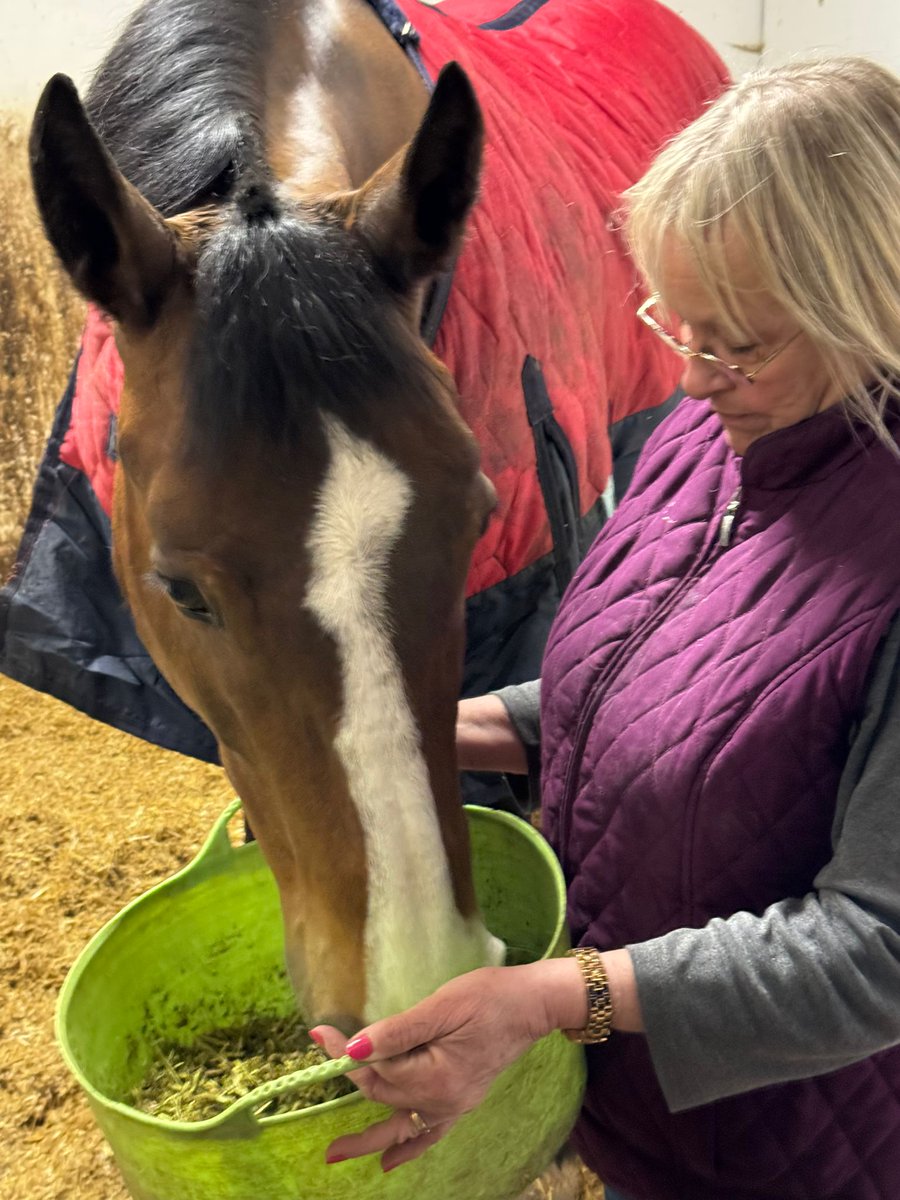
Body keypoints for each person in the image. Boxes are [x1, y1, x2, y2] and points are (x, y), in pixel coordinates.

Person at [310, 55, 900, 1199]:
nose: (689, 374)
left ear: (873, 305)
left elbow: (876, 954)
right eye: (673, 321)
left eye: (738, 340)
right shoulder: (709, 437)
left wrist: (551, 997)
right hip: (634, 1101)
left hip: (778, 1149)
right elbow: (652, 687)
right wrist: (430, 726)